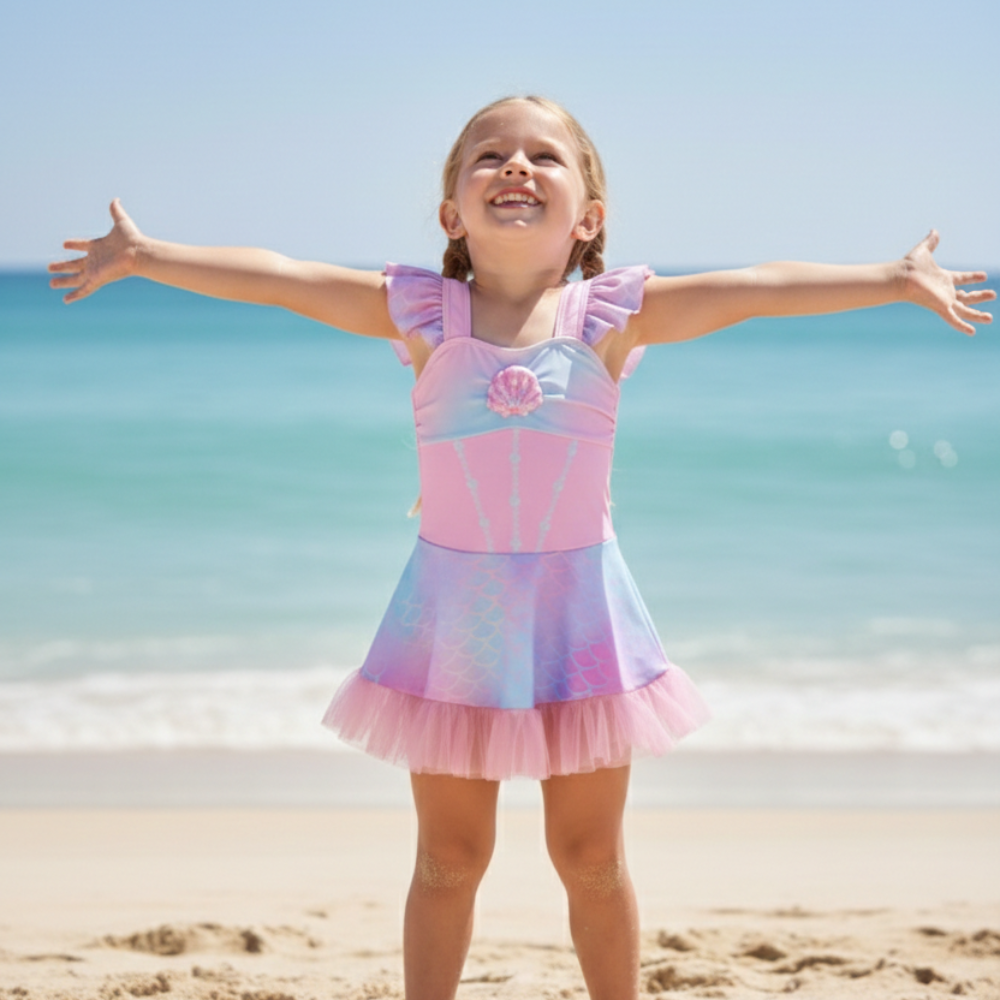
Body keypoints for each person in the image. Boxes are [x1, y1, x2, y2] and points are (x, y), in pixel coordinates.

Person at [50, 95, 993, 1000]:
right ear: (450, 213)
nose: (517, 166)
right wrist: (147, 255)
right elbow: (280, 277)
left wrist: (891, 278)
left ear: (589, 216)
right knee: (447, 858)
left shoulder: (613, 317)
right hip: (454, 621)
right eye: (491, 156)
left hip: (582, 620)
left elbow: (755, 289)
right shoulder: (420, 313)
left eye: (545, 156)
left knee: (590, 859)